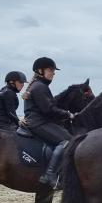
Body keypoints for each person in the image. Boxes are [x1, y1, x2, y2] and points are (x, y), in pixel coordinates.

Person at [24, 57, 72, 188]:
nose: (53, 73)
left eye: (53, 71)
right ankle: (49, 174)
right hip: (38, 122)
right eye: (51, 70)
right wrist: (68, 114)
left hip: (37, 121)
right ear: (40, 70)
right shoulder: (40, 87)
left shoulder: (37, 85)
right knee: (66, 142)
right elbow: (48, 109)